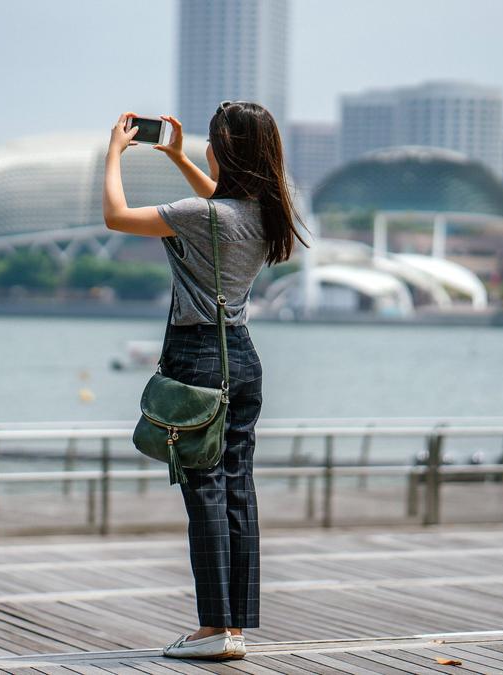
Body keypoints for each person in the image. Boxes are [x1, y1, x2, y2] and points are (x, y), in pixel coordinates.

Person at [102, 101, 308, 660]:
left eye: (212, 142)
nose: (207, 149)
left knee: (205, 494)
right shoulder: (266, 214)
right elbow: (220, 201)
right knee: (237, 488)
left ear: (223, 151)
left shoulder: (203, 215)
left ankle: (214, 629)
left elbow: (116, 217)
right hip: (242, 359)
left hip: (198, 358)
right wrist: (176, 157)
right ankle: (233, 627)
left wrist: (114, 155)